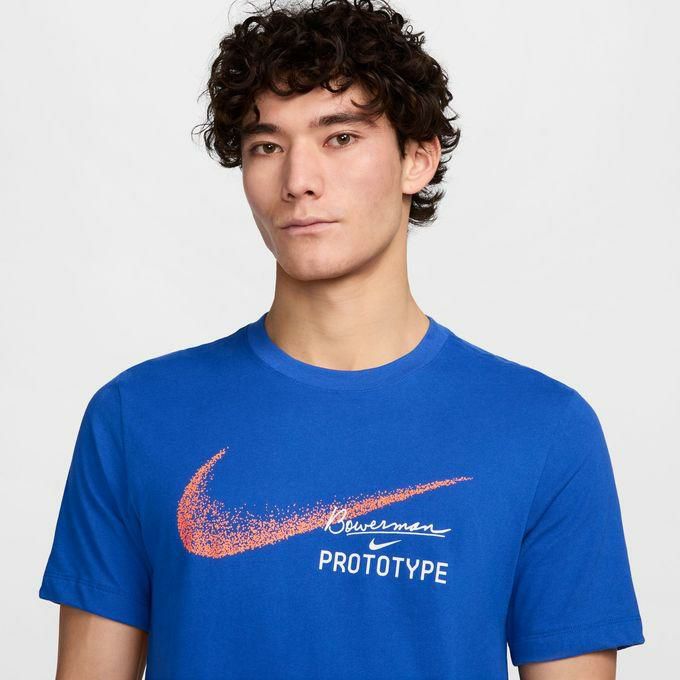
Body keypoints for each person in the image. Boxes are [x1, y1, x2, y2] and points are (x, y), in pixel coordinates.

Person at [38, 0, 645, 678]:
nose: (298, 181)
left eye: (340, 138)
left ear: (418, 159)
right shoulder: (137, 416)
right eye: (267, 146)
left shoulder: (543, 429)